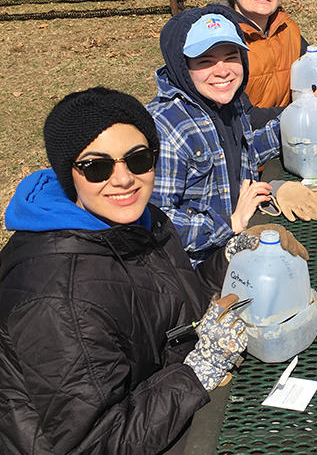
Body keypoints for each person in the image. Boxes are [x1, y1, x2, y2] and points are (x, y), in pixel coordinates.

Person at [0, 88, 250, 454]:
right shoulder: (58, 298)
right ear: (69, 175)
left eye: (138, 159)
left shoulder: (133, 220)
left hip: (152, 401)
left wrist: (231, 259)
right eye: (97, 166)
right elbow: (96, 442)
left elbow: (167, 303)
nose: (123, 180)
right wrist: (197, 372)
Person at [147, 6, 317, 265]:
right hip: (197, 272)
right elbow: (155, 222)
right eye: (205, 62)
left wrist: (299, 114)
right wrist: (230, 223)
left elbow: (243, 153)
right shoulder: (166, 127)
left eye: (231, 57)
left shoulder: (228, 104)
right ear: (182, 67)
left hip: (240, 238)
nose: (222, 71)